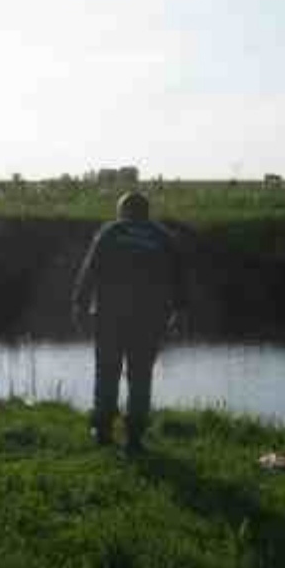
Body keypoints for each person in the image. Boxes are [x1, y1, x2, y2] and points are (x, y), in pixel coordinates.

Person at [72, 192, 188, 454]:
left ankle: (102, 431)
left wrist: (79, 305)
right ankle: (134, 438)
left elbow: (89, 270)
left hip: (110, 317)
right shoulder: (163, 237)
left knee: (107, 372)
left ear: (122, 211)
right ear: (147, 213)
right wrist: (180, 312)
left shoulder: (110, 232)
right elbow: (179, 278)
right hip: (149, 320)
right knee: (140, 376)